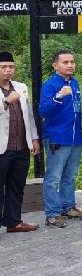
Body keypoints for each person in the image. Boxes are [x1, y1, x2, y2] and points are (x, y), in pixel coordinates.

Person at [40, 50, 82, 227]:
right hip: (57, 138)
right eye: (65, 62)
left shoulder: (74, 82)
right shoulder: (50, 85)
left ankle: (68, 206)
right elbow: (43, 111)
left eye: (72, 62)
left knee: (70, 175)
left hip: (74, 138)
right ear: (55, 65)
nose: (70, 65)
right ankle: (52, 213)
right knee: (53, 178)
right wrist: (59, 96)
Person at [0, 52, 40, 232]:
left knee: (17, 186)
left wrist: (34, 137)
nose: (8, 71)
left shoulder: (21, 87)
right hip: (2, 148)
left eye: (11, 67)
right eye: (3, 67)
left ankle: (14, 222)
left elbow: (29, 115)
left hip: (20, 146)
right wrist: (5, 103)